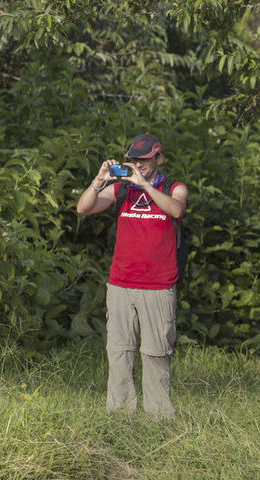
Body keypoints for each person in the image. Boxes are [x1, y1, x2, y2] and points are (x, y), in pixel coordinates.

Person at [76, 133, 188, 418]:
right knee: (119, 351)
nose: (139, 164)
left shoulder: (174, 187)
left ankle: (160, 417)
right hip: (121, 284)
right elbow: (84, 207)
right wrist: (100, 180)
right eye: (134, 159)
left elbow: (176, 209)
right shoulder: (120, 190)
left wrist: (145, 185)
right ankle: (119, 415)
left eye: (145, 159)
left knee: (156, 353)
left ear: (158, 158)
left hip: (159, 286)